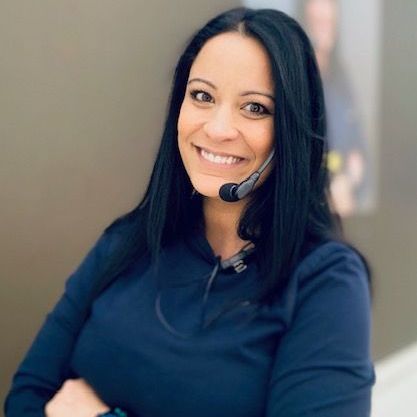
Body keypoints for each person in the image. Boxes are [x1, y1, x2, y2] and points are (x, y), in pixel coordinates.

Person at [4, 7, 375, 417]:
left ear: (290, 130)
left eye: (254, 108)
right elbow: (26, 398)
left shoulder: (325, 282)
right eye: (202, 96)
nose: (217, 128)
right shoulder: (127, 242)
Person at [296, 0, 373, 217]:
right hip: (304, 211)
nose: (324, 31)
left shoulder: (341, 81)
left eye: (329, 23)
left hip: (343, 210)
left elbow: (358, 152)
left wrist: (347, 182)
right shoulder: (293, 82)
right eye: (318, 23)